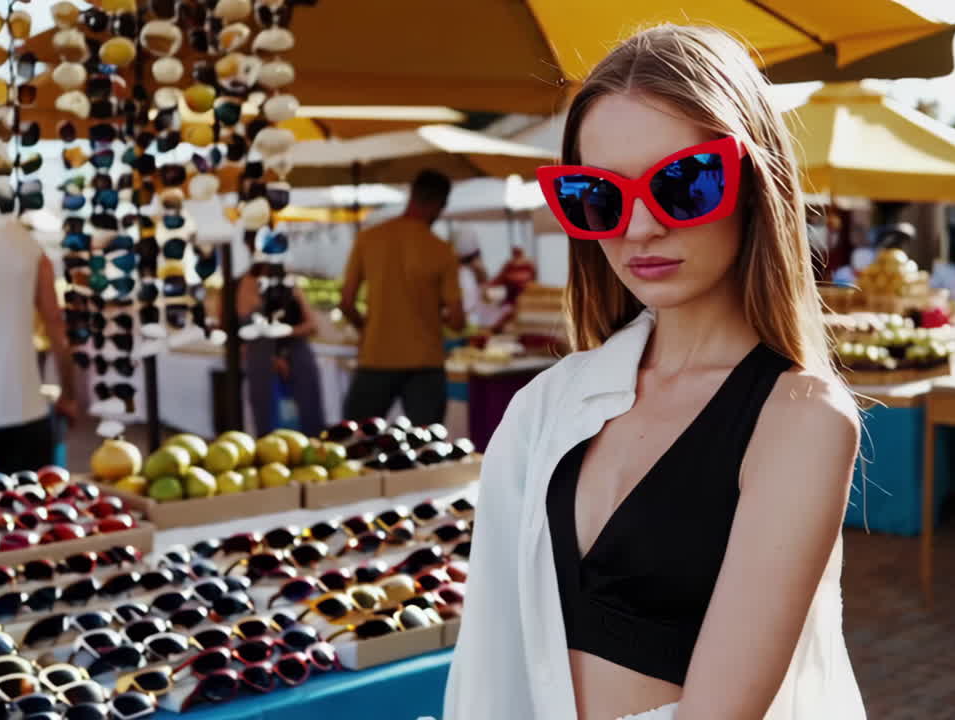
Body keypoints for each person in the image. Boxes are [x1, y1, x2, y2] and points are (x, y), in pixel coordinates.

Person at [445, 25, 864, 720]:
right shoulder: (547, 405)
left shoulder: (800, 419)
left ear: (756, 186)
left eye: (684, 183)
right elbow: (492, 658)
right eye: (598, 194)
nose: (639, 227)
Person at [339, 170, 465, 425]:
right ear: (438, 204)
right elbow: (457, 320)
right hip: (425, 362)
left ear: (411, 196)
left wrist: (368, 329)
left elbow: (346, 303)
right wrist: (431, 312)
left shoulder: (368, 238)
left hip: (375, 356)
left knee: (356, 442)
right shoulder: (441, 250)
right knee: (427, 450)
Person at [0, 215, 78, 472]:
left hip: (25, 410)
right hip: (22, 406)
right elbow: (55, 323)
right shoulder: (26, 244)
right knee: (29, 508)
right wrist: (69, 394)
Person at [237, 263, 325, 437]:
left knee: (307, 415)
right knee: (266, 419)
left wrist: (282, 343)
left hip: (296, 356)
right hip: (260, 361)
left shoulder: (288, 284)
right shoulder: (240, 284)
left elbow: (312, 325)